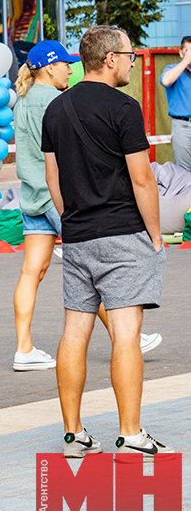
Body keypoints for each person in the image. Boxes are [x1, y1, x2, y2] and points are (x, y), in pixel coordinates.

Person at [43, 25, 172, 458]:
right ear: (111, 58)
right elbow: (142, 178)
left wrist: (70, 222)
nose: (134, 61)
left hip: (77, 235)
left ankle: (73, 434)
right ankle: (131, 432)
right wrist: (155, 235)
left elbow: (53, 177)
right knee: (125, 334)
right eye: (130, 54)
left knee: (74, 332)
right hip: (122, 233)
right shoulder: (125, 107)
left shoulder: (56, 110)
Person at [12, 41, 162, 372]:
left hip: (31, 194)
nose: (70, 69)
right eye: (65, 64)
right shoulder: (54, 101)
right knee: (95, 274)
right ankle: (128, 336)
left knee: (30, 273)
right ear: (49, 68)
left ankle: (24, 347)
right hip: (60, 197)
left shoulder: (22, 100)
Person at [159, 35, 191, 171]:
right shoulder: (172, 69)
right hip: (183, 126)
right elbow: (166, 81)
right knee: (184, 172)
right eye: (188, 51)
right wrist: (185, 61)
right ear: (181, 53)